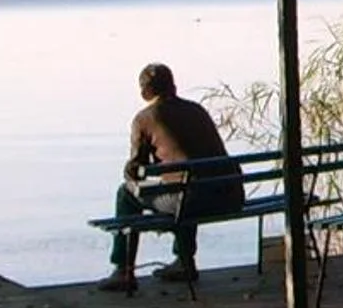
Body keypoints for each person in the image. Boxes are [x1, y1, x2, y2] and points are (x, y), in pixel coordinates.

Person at [101, 63, 245, 290]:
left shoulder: (144, 118)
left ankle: (123, 269)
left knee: (127, 194)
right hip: (229, 196)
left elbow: (134, 168)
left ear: (144, 93)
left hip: (193, 200)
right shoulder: (197, 110)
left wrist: (135, 173)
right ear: (174, 87)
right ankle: (184, 261)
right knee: (188, 184)